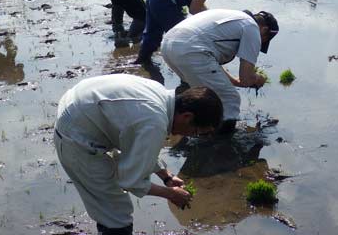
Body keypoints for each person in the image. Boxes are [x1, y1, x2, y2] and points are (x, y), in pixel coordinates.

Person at [53, 74, 223, 235]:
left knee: (110, 208)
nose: (190, 135)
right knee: (117, 215)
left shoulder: (161, 96)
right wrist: (171, 194)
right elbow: (130, 181)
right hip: (75, 136)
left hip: (78, 109)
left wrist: (166, 176)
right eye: (196, 131)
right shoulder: (154, 122)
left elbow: (136, 144)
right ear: (187, 116)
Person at [161, 9, 279, 134]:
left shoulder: (235, 17)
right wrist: (258, 78)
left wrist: (234, 81)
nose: (260, 44)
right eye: (263, 41)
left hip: (168, 44)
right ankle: (221, 143)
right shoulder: (252, 28)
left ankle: (180, 127)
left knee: (198, 95)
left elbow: (212, 63)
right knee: (229, 99)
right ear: (264, 30)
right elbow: (246, 78)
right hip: (191, 51)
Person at [135, 0, 253, 64]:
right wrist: (213, 24)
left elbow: (195, 3)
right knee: (182, 37)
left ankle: (141, 62)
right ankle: (187, 75)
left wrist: (213, 17)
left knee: (153, 32)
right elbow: (195, 8)